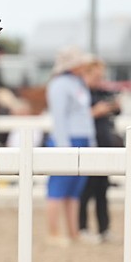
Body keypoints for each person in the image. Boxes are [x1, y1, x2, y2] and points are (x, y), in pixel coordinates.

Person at [45, 46, 98, 246]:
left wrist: (90, 141)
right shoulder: (59, 84)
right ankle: (54, 232)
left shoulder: (77, 83)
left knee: (75, 191)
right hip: (67, 140)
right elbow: (59, 117)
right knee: (58, 188)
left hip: (81, 139)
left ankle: (73, 232)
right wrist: (63, 145)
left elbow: (84, 115)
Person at [78, 60, 121, 242]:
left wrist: (115, 107)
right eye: (96, 76)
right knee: (85, 191)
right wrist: (96, 111)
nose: (99, 80)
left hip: (104, 144)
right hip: (88, 145)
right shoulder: (80, 94)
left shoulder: (102, 92)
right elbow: (77, 116)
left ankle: (104, 229)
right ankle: (82, 228)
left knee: (102, 189)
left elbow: (116, 112)